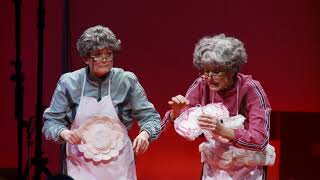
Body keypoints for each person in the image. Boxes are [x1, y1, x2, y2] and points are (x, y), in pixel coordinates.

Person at [42, 25, 161, 180]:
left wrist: (145, 134)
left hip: (119, 167)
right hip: (80, 166)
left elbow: (151, 117)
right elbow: (50, 122)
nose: (105, 59)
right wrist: (63, 133)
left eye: (109, 54)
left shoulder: (126, 80)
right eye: (98, 55)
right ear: (85, 58)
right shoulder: (69, 83)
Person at [162, 34, 272, 179]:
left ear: (232, 69)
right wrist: (175, 114)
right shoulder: (201, 84)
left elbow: (260, 140)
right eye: (206, 70)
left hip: (248, 171)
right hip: (214, 170)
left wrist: (223, 130)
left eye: (216, 71)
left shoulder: (251, 89)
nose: (209, 77)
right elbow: (171, 125)